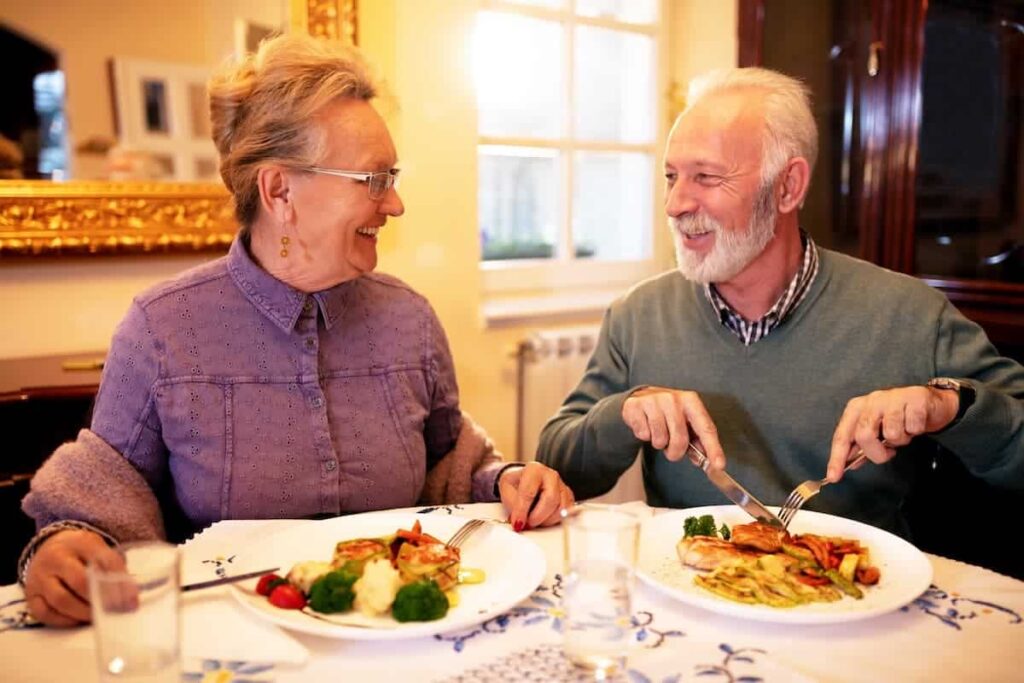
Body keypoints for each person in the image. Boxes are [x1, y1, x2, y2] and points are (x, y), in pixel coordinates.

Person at [20, 35, 572, 627]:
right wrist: (63, 548)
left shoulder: (409, 320)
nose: (396, 204)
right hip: (232, 640)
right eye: (373, 180)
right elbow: (102, 502)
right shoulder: (162, 328)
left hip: (398, 642)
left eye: (393, 177)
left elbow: (447, 463)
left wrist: (509, 480)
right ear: (279, 189)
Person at [537, 67, 1024, 535]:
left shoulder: (912, 315)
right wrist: (624, 413)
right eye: (671, 177)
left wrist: (945, 405)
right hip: (688, 597)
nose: (676, 204)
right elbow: (558, 468)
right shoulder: (638, 315)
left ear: (788, 186)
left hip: (858, 602)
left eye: (706, 177)